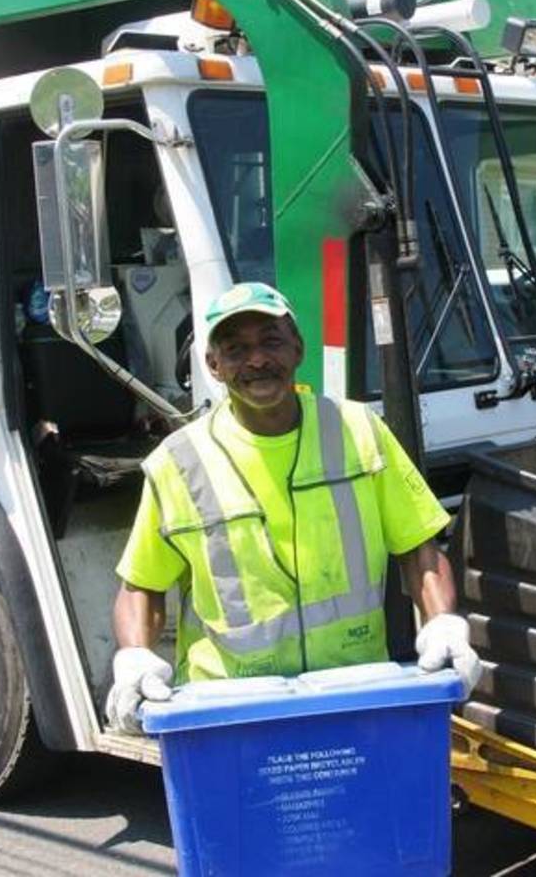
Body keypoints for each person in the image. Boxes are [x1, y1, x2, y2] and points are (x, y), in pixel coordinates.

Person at [106, 282, 481, 734]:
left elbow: (419, 547)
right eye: (235, 348)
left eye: (271, 341)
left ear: (298, 348)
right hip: (229, 710)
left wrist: (443, 622)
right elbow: (141, 586)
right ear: (213, 365)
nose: (257, 359)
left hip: (351, 695)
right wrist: (134, 658)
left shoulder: (359, 432)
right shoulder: (178, 464)